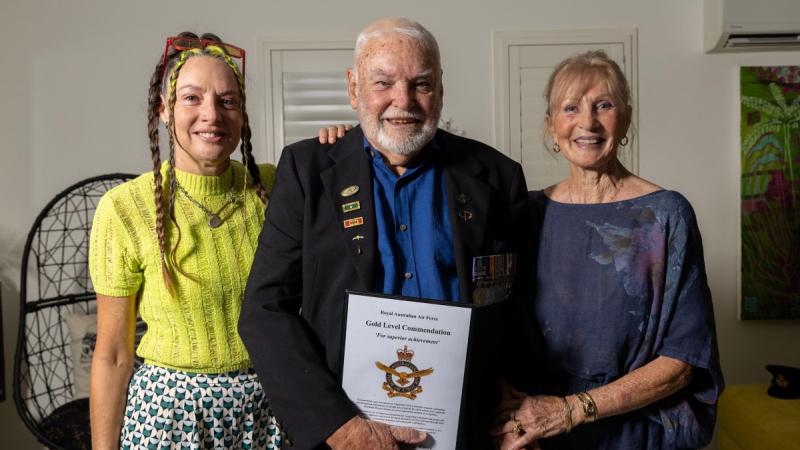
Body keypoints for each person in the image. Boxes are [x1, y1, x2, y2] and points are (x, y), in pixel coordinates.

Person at [240, 17, 531, 450]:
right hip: (346, 432)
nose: (403, 101)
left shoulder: (497, 177)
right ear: (354, 88)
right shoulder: (308, 171)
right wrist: (339, 428)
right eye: (383, 83)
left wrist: (517, 404)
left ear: (441, 89)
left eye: (421, 84)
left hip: (468, 431)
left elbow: (515, 308)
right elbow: (264, 310)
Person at [491, 50, 724, 450]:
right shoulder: (524, 213)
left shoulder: (667, 215)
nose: (587, 122)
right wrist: (345, 143)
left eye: (604, 105)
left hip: (637, 435)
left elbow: (684, 358)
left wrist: (571, 410)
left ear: (626, 118)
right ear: (551, 126)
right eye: (570, 108)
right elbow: (493, 327)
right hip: (537, 435)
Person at [89, 32, 284, 449]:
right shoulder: (124, 209)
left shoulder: (275, 187)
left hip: (270, 412)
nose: (211, 114)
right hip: (168, 418)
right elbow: (113, 355)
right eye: (191, 98)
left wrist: (343, 143)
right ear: (164, 109)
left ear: (242, 113)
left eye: (227, 100)